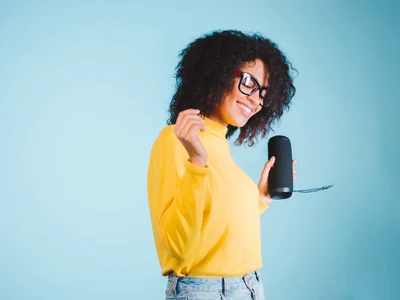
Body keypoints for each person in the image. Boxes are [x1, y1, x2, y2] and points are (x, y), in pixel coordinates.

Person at [147, 30, 296, 300]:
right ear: (218, 73)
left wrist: (259, 200)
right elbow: (178, 247)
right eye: (249, 83)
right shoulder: (176, 141)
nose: (255, 100)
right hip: (207, 292)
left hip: (250, 287)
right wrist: (196, 162)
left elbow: (214, 228)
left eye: (263, 93)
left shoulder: (220, 144)